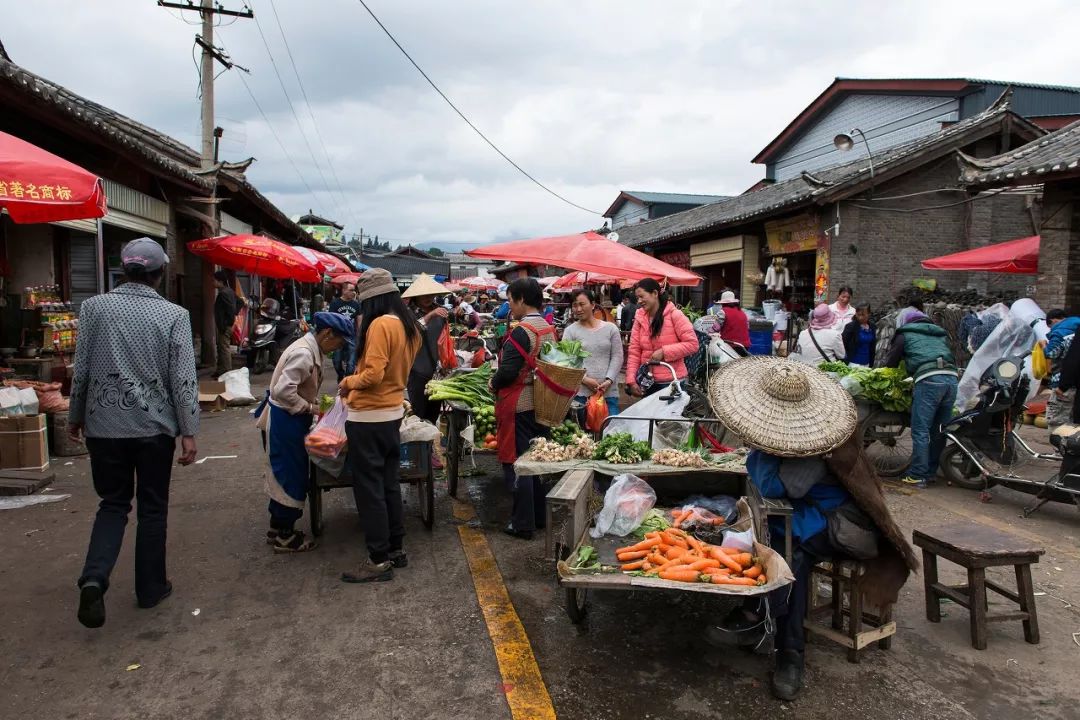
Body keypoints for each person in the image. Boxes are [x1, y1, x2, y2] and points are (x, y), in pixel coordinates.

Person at [706, 358, 916, 701]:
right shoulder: (788, 436)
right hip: (811, 517)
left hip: (844, 527)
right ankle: (757, 614)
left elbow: (780, 488)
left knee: (792, 559)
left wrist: (760, 454)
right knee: (761, 536)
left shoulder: (816, 444)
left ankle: (789, 655)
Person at [68, 238, 199, 629]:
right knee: (152, 508)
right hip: (154, 429)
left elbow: (82, 368)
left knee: (112, 504)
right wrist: (189, 431)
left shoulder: (93, 308)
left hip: (104, 427)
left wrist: (75, 416)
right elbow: (183, 378)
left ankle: (94, 578)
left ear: (123, 269)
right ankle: (150, 588)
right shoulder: (174, 315)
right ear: (160, 274)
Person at [340, 269, 423, 583]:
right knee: (389, 483)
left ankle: (377, 559)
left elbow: (372, 375)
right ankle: (395, 549)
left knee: (369, 489)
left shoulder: (379, 325)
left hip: (368, 418)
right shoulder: (410, 325)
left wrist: (347, 383)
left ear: (370, 299)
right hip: (392, 414)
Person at [255, 312, 352, 553]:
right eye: (339, 341)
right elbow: (282, 392)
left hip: (290, 418)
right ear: (327, 333)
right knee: (290, 475)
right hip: (285, 420)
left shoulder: (311, 349)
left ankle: (277, 527)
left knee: (284, 473)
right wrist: (310, 408)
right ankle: (285, 537)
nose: (338, 347)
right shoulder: (303, 352)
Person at [491, 278, 555, 540]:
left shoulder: (522, 331)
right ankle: (539, 516)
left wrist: (492, 382)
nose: (509, 305)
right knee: (538, 461)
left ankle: (522, 523)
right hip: (542, 401)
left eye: (510, 300)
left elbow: (507, 372)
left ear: (521, 300)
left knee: (519, 463)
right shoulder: (548, 329)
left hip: (519, 404)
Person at [884, 308, 958, 488]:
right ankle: (931, 472)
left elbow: (891, 363)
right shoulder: (940, 335)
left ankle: (917, 474)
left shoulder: (904, 335)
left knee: (921, 429)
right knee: (939, 429)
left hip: (929, 380)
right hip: (951, 379)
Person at [625, 278, 699, 396]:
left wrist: (664, 352)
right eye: (637, 297)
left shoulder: (675, 315)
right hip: (648, 382)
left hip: (672, 382)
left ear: (654, 293)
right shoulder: (640, 318)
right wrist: (631, 380)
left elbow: (693, 344)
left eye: (642, 296)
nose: (639, 301)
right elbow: (634, 351)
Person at [562, 290, 623, 420]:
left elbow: (617, 356)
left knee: (611, 432)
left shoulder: (610, 329)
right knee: (583, 437)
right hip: (581, 395)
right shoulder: (570, 332)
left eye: (582, 304)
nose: (578, 309)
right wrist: (584, 379)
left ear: (593, 304)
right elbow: (567, 362)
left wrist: (609, 380)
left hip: (608, 393)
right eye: (574, 305)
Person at [403, 274, 452, 424]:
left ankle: (429, 444)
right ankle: (419, 446)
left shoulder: (440, 311)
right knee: (418, 412)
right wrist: (430, 316)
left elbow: (445, 339)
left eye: (431, 294)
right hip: (417, 370)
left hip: (438, 371)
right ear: (416, 296)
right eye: (424, 294)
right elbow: (411, 332)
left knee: (433, 412)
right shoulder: (408, 313)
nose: (428, 297)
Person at [1043, 309, 1080, 433]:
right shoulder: (1076, 326)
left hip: (1063, 381)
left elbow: (1051, 353)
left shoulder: (1059, 332)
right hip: (1076, 384)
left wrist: (1044, 345)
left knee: (1056, 420)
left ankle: (1060, 450)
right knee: (1072, 420)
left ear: (1053, 320)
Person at [329, 282, 361, 382]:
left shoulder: (356, 304)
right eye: (351, 290)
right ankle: (340, 374)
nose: (354, 292)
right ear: (344, 291)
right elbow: (331, 319)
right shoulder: (335, 303)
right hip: (338, 336)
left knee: (351, 363)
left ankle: (346, 382)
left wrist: (359, 336)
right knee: (336, 361)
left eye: (354, 290)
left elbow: (359, 321)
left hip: (351, 337)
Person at [213, 270, 238, 377]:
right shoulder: (229, 291)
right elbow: (240, 302)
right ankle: (220, 370)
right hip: (224, 325)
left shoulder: (224, 293)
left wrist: (229, 322)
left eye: (214, 280)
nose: (213, 282)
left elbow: (231, 309)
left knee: (224, 348)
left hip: (225, 325)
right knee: (221, 347)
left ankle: (227, 372)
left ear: (220, 281)